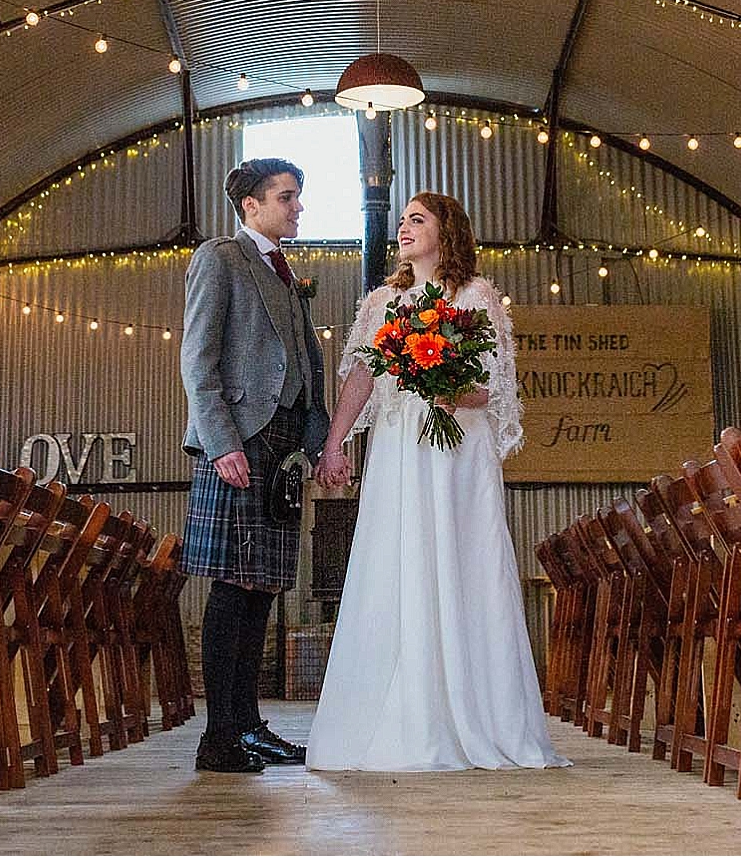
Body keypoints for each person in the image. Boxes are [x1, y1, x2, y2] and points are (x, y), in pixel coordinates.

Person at [305, 192, 568, 772]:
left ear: (446, 231)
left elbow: (494, 387)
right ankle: (395, 712)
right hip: (399, 449)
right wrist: (335, 442)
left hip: (457, 451)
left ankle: (477, 716)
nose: (403, 228)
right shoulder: (381, 301)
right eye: (400, 220)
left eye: (416, 220)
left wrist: (447, 387)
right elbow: (361, 378)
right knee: (396, 562)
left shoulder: (476, 296)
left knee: (462, 562)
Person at [179, 158, 330, 772]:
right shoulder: (221, 258)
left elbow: (306, 375)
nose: (298, 208)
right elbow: (198, 360)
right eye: (287, 198)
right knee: (233, 587)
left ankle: (248, 726)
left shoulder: (285, 274)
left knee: (262, 588)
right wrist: (222, 444)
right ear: (251, 205)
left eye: (298, 197)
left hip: (282, 450)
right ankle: (218, 738)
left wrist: (323, 446)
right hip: (239, 445)